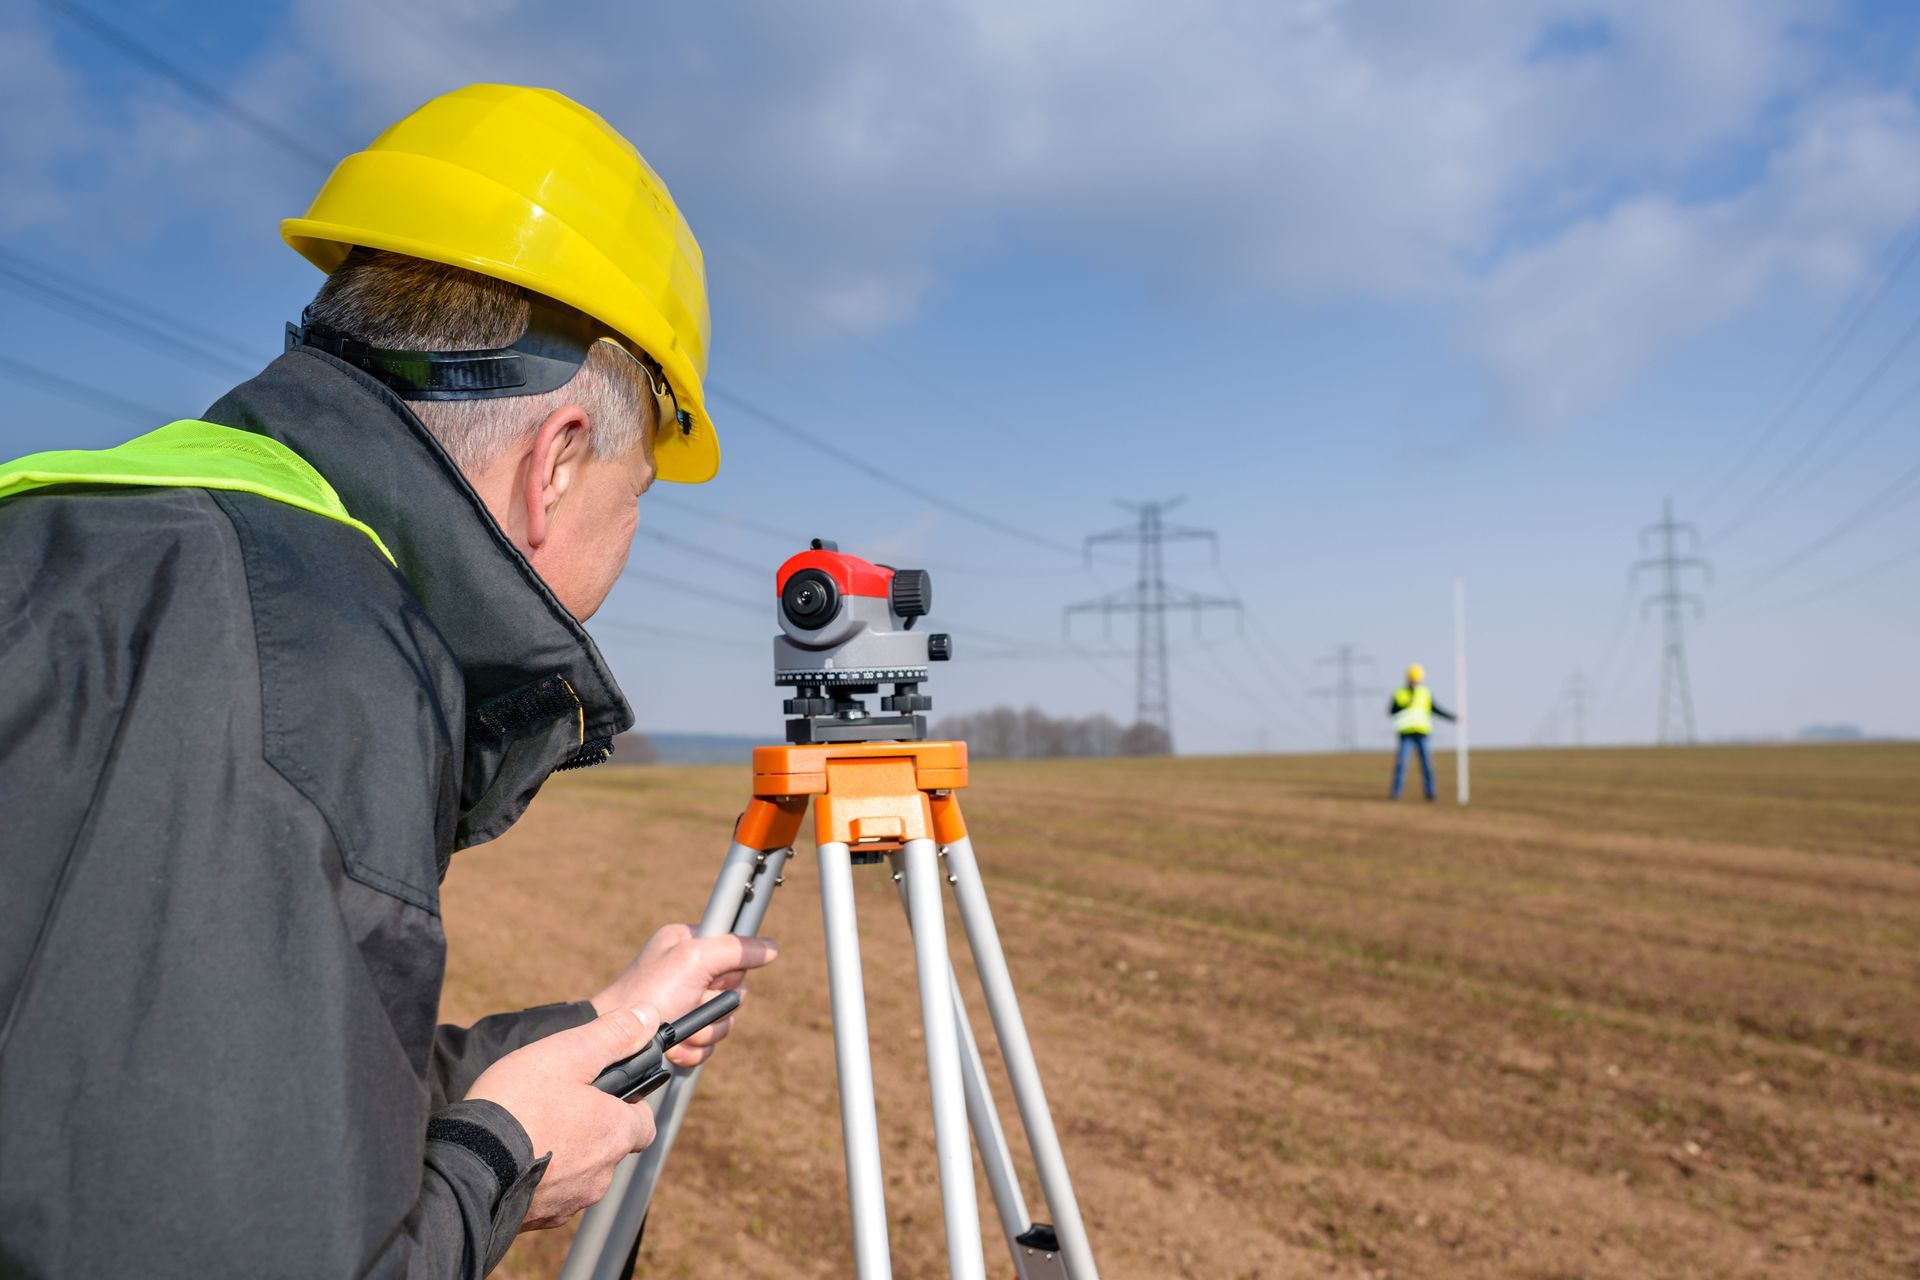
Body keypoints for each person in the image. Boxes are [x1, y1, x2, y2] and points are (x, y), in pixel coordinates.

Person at [0, 85, 778, 1278]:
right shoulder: (302, 663)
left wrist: (604, 1032)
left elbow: (161, 1083)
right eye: (640, 504)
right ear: (560, 461)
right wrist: (501, 1163)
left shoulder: (101, 538)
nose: (625, 552)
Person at [1386, 662, 1456, 801]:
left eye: (1417, 679)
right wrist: (1405, 705)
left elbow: (1435, 709)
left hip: (1422, 734)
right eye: (1413, 679)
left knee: (1427, 766)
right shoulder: (1400, 693)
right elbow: (1391, 711)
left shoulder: (1425, 693)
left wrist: (1453, 718)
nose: (1414, 681)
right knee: (1401, 765)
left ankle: (1430, 793)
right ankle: (1395, 793)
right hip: (1406, 735)